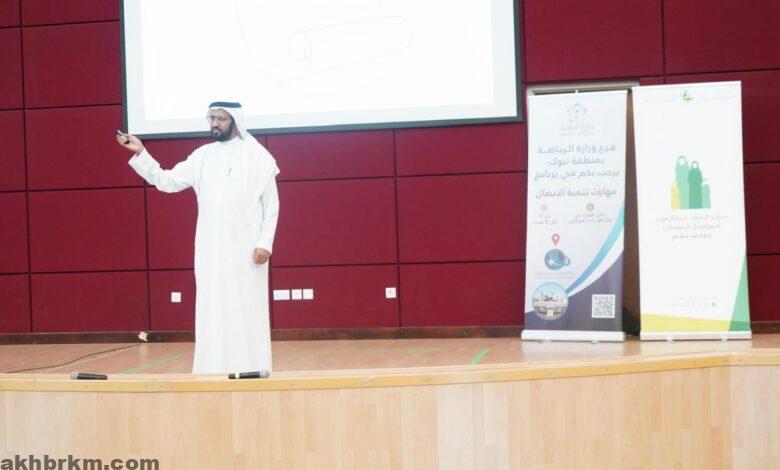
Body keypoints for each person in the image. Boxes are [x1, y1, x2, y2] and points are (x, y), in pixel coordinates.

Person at [116, 102, 280, 374]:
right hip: (211, 249)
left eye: (221, 119)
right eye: (212, 118)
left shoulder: (257, 156)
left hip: (247, 250)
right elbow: (167, 181)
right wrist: (141, 153)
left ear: (235, 120)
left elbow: (271, 205)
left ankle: (252, 368)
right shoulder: (202, 156)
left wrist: (265, 243)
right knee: (212, 309)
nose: (215, 123)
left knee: (246, 309)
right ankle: (212, 370)